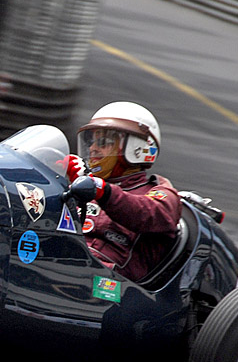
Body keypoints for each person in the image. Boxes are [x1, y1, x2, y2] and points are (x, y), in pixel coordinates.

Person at [63, 101, 181, 282]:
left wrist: (104, 192)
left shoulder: (161, 194)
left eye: (103, 142)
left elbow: (147, 213)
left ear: (136, 149)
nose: (93, 148)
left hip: (110, 287)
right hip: (66, 264)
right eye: (92, 141)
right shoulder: (83, 183)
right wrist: (57, 178)